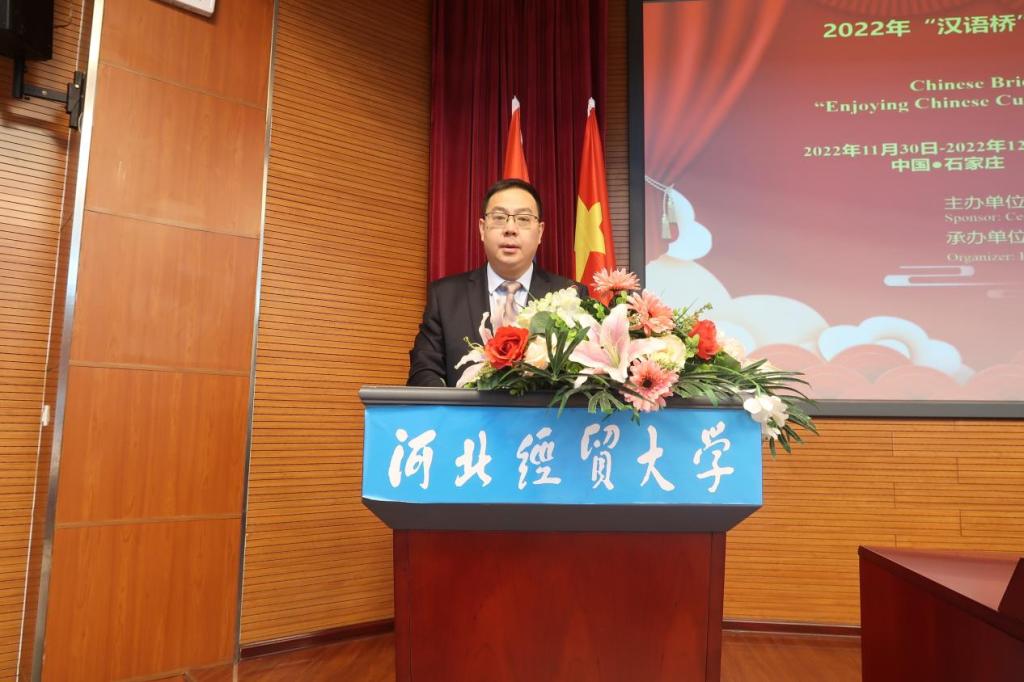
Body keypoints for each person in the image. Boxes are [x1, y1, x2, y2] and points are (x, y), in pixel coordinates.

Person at [408, 178, 586, 387]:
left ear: (540, 232)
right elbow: (423, 372)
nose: (510, 229)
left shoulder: (570, 295)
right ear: (482, 229)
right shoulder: (445, 297)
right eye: (499, 218)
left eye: (523, 219)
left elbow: (585, 377)